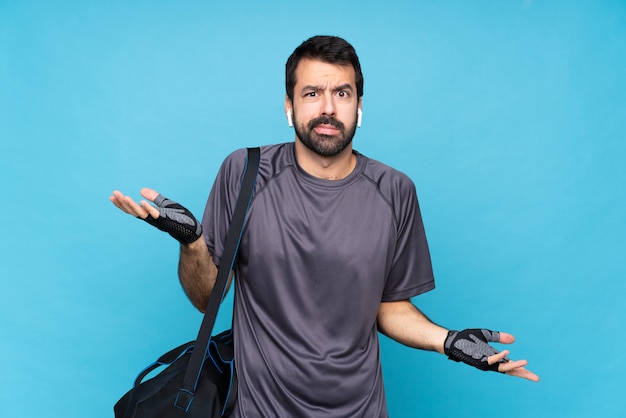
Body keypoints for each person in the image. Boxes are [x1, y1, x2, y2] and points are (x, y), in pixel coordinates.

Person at [111, 35, 539, 417]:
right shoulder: (245, 173)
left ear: (359, 106)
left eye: (343, 93)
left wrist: (448, 341)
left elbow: (387, 306)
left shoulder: (395, 190)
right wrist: (193, 241)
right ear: (288, 105)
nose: (328, 108)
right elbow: (208, 299)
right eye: (312, 93)